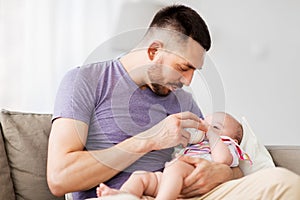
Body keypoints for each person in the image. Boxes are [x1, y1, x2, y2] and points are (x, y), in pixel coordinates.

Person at [47, 4, 300, 200]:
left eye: (194, 71)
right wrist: (149, 140)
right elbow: (59, 178)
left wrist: (222, 173)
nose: (188, 81)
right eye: (183, 67)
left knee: (284, 184)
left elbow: (217, 156)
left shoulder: (184, 102)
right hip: (124, 194)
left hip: (189, 194)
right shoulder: (86, 81)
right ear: (154, 51)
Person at [95, 112, 252, 200]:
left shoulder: (227, 144)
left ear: (234, 139)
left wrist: (212, 135)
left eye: (216, 127)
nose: (207, 128)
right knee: (140, 176)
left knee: (176, 166)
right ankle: (123, 196)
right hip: (172, 181)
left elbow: (223, 161)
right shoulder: (196, 143)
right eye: (206, 124)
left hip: (194, 180)